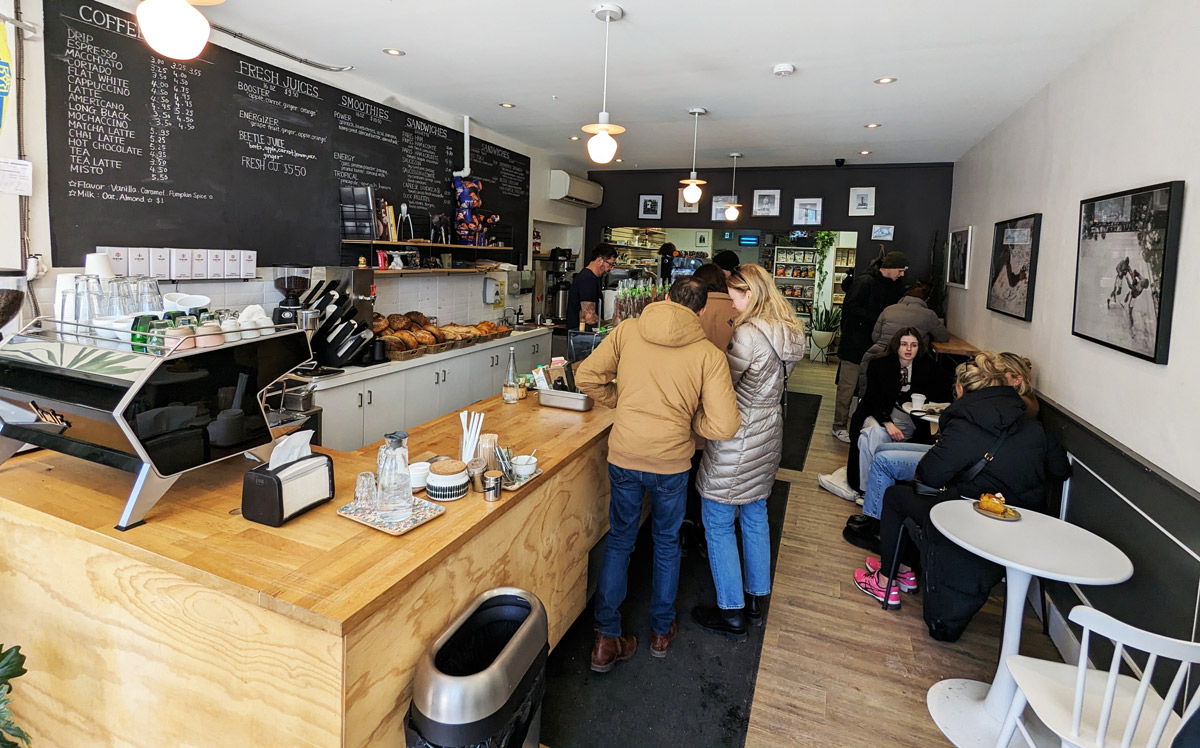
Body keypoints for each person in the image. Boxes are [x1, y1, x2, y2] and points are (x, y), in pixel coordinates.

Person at [575, 276, 741, 672]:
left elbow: (586, 377)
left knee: (620, 541)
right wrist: (689, 422)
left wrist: (622, 402)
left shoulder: (627, 331)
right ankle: (660, 632)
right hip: (671, 463)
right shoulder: (709, 353)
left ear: (666, 297)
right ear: (701, 310)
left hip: (625, 455)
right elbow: (725, 425)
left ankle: (606, 639)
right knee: (666, 543)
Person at [852, 353, 1070, 631]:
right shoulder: (1031, 424)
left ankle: (885, 581)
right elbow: (1061, 470)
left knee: (896, 497)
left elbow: (929, 475)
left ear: (962, 388)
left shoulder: (966, 421)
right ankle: (904, 571)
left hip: (971, 518)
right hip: (1021, 525)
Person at [692, 264, 806, 637]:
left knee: (717, 518)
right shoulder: (790, 330)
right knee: (756, 513)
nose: (732, 304)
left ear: (750, 293)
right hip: (770, 430)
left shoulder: (747, 335)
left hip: (739, 434)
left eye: (734, 296)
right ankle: (755, 599)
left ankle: (731, 610)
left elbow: (724, 386)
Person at [844, 351, 1040, 547]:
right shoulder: (1007, 406)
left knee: (883, 460)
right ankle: (874, 515)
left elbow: (935, 470)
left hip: (966, 471)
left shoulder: (991, 409)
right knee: (883, 449)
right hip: (971, 463)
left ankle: (878, 527)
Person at [681, 263, 738, 554]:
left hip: (689, 399)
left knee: (690, 466)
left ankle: (687, 522)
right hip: (725, 400)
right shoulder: (737, 310)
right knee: (715, 468)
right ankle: (710, 526)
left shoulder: (691, 311)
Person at [831, 250, 909, 442]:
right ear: (890, 268)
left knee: (871, 387)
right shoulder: (864, 282)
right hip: (855, 343)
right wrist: (876, 319)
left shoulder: (894, 286)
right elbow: (849, 308)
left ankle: (863, 423)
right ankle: (839, 425)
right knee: (847, 387)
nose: (902, 275)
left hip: (876, 345)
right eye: (900, 270)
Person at [855, 281, 950, 394]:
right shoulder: (929, 315)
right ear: (927, 299)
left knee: (871, 393)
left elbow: (875, 337)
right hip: (906, 362)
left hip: (877, 355)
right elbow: (943, 337)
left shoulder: (888, 309)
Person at [565, 243, 617, 332]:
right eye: (610, 264)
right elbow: (589, 317)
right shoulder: (588, 280)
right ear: (600, 260)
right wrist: (610, 327)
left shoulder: (591, 277)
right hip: (581, 335)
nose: (612, 268)